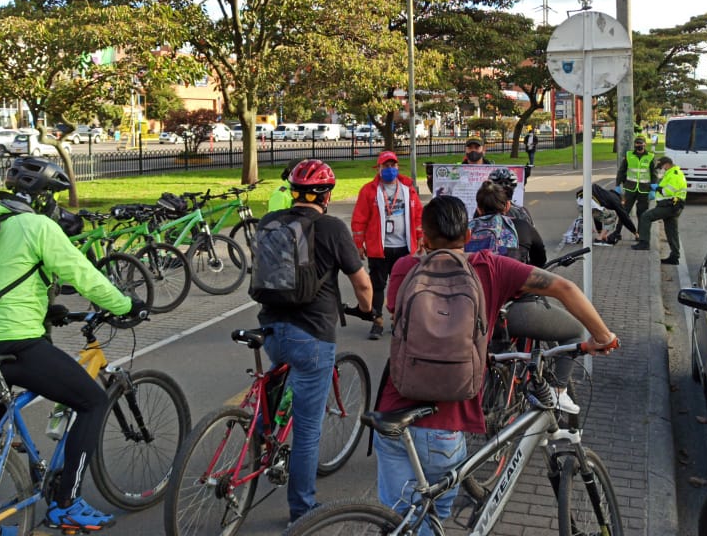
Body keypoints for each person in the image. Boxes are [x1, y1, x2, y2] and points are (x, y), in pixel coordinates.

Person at [375, 195, 618, 529]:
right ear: (467, 235)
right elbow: (563, 287)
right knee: (429, 521)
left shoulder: (405, 268)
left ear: (424, 235)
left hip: (392, 414)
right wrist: (602, 336)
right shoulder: (490, 268)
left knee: (400, 519)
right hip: (444, 424)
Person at [0, 158, 142, 531]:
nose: (57, 206)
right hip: (17, 344)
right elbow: (82, 274)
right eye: (53, 198)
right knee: (91, 401)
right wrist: (125, 304)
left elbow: (2, 277)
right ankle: (66, 503)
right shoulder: (36, 225)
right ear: (41, 199)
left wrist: (44, 307)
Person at [258, 159, 373, 526]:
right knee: (308, 431)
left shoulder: (269, 223)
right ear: (327, 193)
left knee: (279, 378)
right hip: (312, 336)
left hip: (271, 330)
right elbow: (362, 283)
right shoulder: (331, 227)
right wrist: (368, 310)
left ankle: (259, 438)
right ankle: (302, 511)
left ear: (292, 191)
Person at [351, 151, 423, 340]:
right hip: (379, 249)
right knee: (377, 285)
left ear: (398, 167)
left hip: (404, 247)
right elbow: (359, 219)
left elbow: (418, 216)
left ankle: (398, 320)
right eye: (386, 166)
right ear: (379, 168)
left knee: (403, 286)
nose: (390, 169)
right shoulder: (369, 190)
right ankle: (377, 321)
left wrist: (421, 237)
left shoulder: (408, 188)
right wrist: (358, 243)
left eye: (393, 165)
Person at [633, 155, 687, 265]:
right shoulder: (672, 173)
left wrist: (657, 188)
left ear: (667, 164)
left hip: (670, 206)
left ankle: (644, 242)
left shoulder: (674, 174)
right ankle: (675, 256)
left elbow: (669, 191)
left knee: (646, 216)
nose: (661, 169)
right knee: (671, 231)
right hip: (673, 206)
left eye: (661, 167)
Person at [616, 135, 655, 219]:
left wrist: (653, 187)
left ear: (645, 144)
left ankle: (640, 232)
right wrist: (617, 184)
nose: (639, 145)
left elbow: (653, 173)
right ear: (634, 145)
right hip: (630, 189)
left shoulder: (650, 157)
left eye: (641, 143)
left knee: (642, 213)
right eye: (637, 143)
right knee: (624, 211)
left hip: (644, 190)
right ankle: (617, 231)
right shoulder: (629, 155)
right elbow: (621, 171)